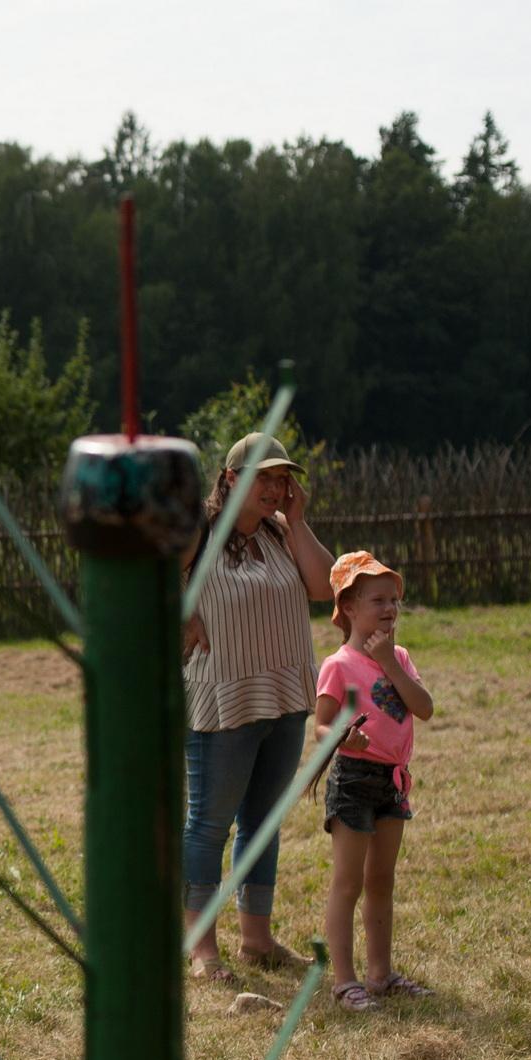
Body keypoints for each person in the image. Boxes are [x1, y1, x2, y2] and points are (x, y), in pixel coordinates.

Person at [178, 433, 335, 982]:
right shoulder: (198, 531)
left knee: (262, 823)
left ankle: (257, 939)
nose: (274, 488)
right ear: (229, 479)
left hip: (285, 695)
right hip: (222, 701)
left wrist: (299, 520)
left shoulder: (281, 532)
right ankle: (201, 948)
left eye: (281, 479)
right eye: (262, 477)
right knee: (209, 825)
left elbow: (325, 588)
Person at [314, 552, 435, 1012]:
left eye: (394, 601)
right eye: (378, 600)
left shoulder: (398, 657)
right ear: (348, 607)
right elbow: (321, 726)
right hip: (354, 781)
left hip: (393, 782)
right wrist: (344, 737)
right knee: (348, 883)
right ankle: (345, 982)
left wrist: (389, 662)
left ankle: (381, 974)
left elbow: (424, 708)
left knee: (382, 880)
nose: (389, 609)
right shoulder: (339, 665)